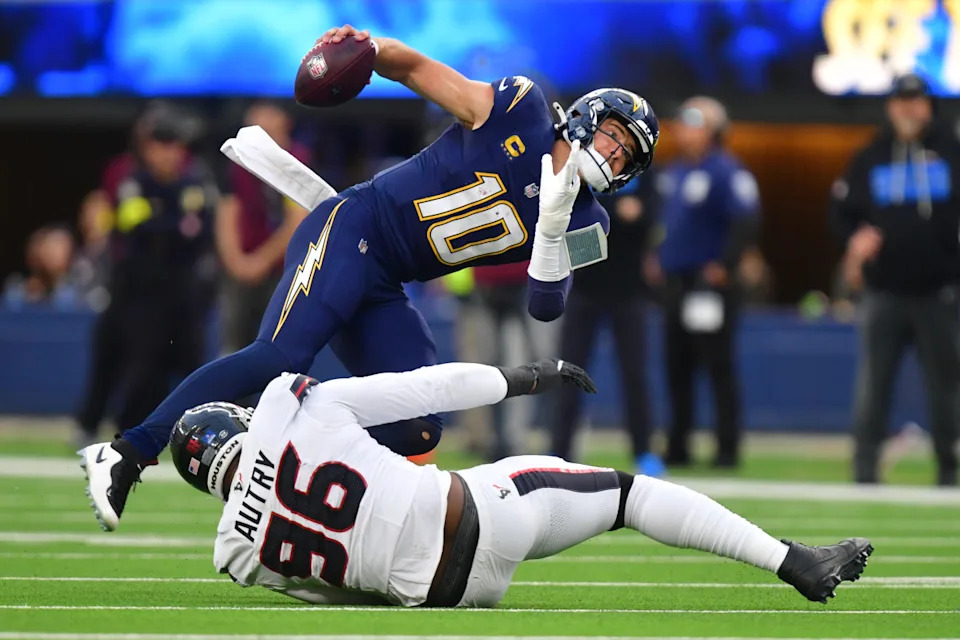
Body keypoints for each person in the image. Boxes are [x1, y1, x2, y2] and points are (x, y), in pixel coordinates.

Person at [79, 23, 661, 531]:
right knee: (277, 356)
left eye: (627, 154)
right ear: (589, 115)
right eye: (614, 135)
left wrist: (554, 226)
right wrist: (365, 46)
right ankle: (125, 452)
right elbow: (411, 67)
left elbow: (546, 308)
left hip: (387, 280)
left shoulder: (590, 220)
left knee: (418, 426)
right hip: (353, 226)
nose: (613, 156)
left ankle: (306, 490)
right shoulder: (521, 108)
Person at [161, 360, 872, 608]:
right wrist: (526, 378)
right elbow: (422, 388)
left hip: (441, 595)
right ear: (240, 420)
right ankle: (795, 563)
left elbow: (337, 587)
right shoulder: (289, 400)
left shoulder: (235, 554)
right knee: (627, 495)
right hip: (483, 516)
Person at [830, 73, 960, 486]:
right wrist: (856, 237)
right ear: (890, 106)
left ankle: (949, 470)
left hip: (940, 291)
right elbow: (840, 212)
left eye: (915, 100)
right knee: (873, 386)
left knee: (946, 389)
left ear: (929, 106)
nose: (908, 108)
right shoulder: (871, 155)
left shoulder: (953, 151)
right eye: (901, 101)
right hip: (883, 291)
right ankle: (865, 471)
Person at [647, 96, 759, 469]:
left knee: (717, 365)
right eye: (682, 119)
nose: (685, 127)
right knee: (676, 364)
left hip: (708, 285)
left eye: (694, 120)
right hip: (676, 283)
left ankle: (727, 448)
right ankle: (678, 443)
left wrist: (723, 264)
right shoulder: (672, 173)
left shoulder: (726, 171)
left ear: (715, 130)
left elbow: (746, 219)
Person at [550, 178, 661, 476]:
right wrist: (617, 211)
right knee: (568, 373)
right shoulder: (586, 174)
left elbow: (650, 219)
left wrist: (621, 216)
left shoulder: (645, 176)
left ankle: (644, 451)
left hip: (629, 293)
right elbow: (574, 219)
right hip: (583, 289)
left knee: (634, 375)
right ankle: (559, 451)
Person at [216, 101, 310, 354]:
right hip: (240, 269)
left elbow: (296, 219)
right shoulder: (237, 161)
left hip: (283, 270)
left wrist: (260, 262)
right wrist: (237, 262)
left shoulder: (297, 161)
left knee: (276, 346)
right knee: (233, 344)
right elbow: (227, 212)